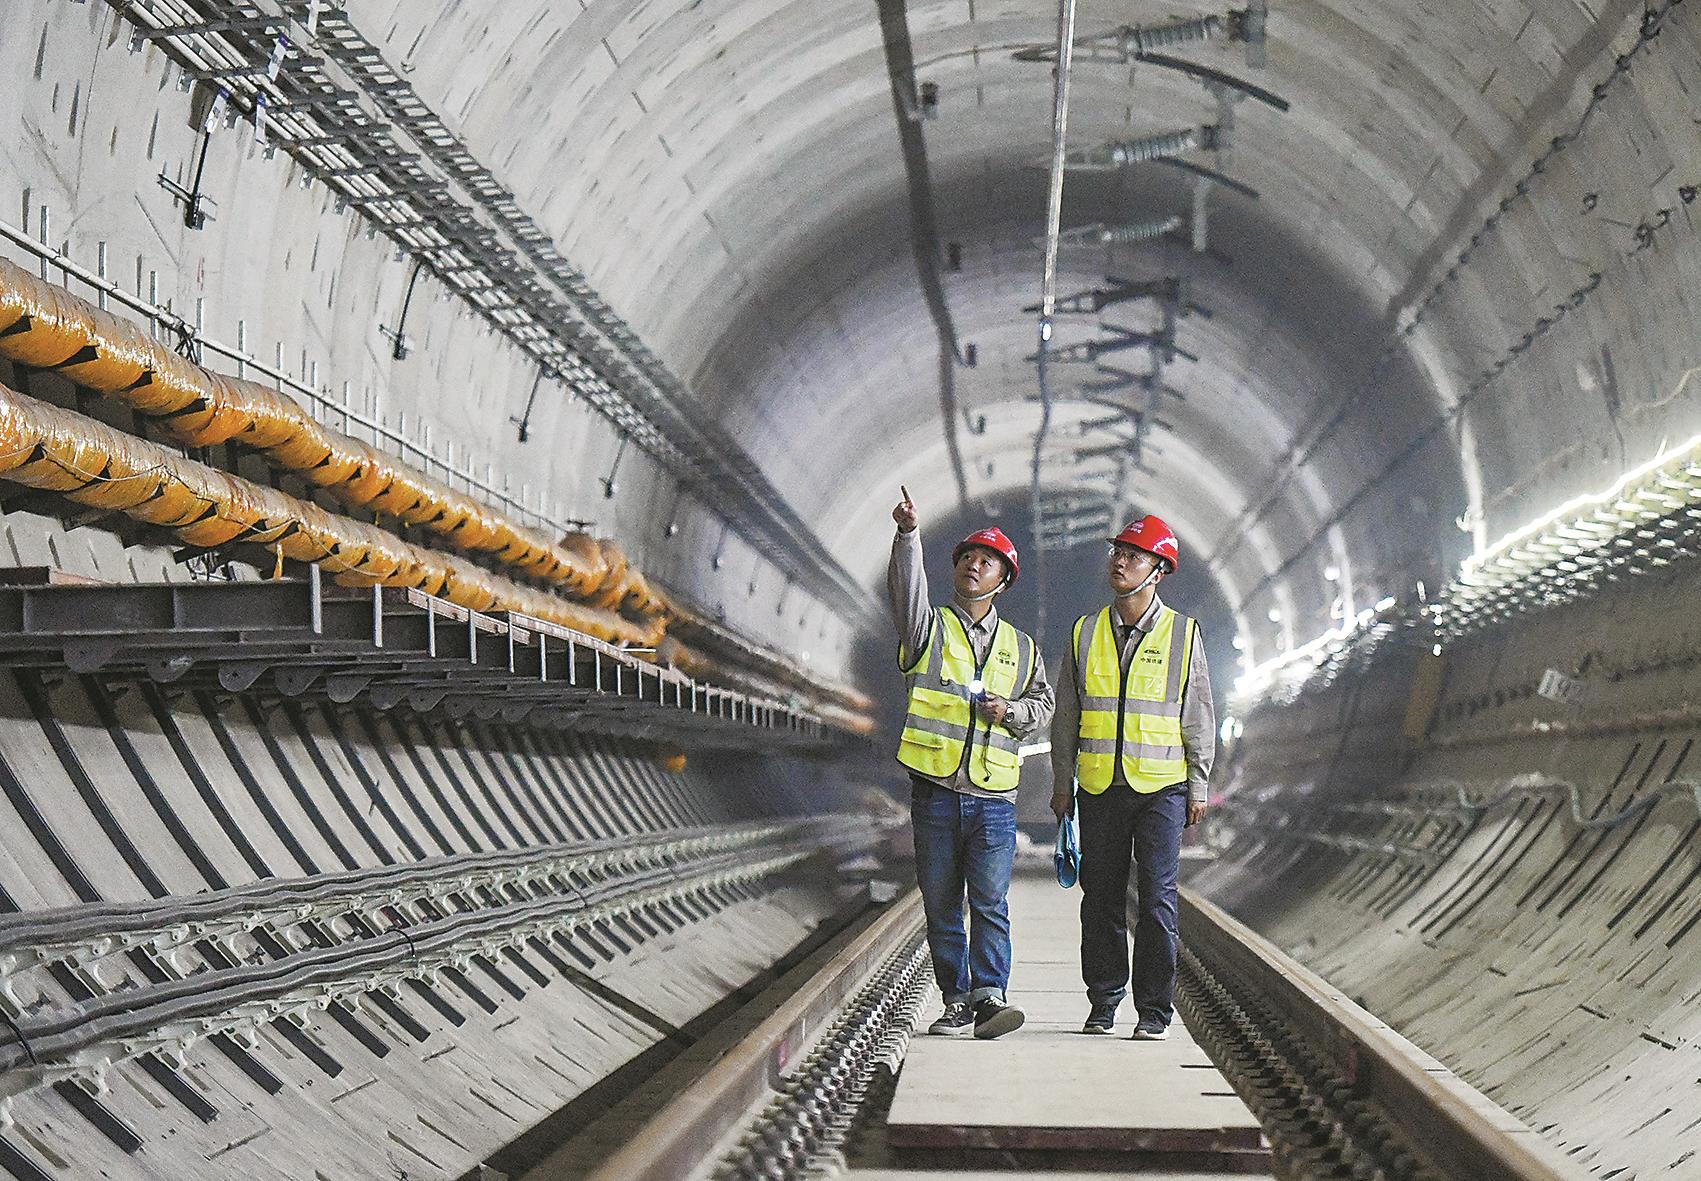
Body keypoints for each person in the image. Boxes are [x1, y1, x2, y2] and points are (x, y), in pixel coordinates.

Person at [889, 488, 1055, 1039]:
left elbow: (1042, 708)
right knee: (941, 904)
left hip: (993, 798)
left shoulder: (1023, 648)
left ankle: (990, 997)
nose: (973, 566)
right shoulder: (928, 629)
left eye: (987, 562)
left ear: (1002, 581)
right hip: (935, 790)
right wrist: (909, 536)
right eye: (966, 558)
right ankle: (955, 999)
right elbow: (906, 593)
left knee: (988, 900)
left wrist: (1012, 712)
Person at [1048, 515, 1215, 1040]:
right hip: (1099, 785)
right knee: (1099, 900)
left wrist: (1199, 785)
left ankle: (1154, 1012)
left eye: (1134, 555)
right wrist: (1060, 783)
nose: (1120, 562)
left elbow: (1198, 713)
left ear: (1158, 571)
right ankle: (1103, 1001)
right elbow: (1067, 717)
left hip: (1162, 787)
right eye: (1118, 552)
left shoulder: (1183, 634)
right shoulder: (1084, 631)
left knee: (1158, 899)